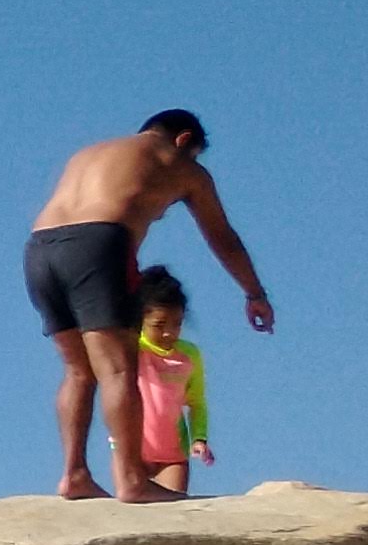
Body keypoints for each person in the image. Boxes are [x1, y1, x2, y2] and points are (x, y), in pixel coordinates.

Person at [24, 111, 273, 502]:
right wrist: (254, 293)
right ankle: (132, 481)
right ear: (183, 140)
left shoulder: (90, 153)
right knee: (120, 368)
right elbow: (222, 237)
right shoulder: (181, 166)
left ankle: (74, 474)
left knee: (78, 370)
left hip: (40, 248)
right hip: (101, 244)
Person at [132, 267, 209, 498]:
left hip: (173, 452)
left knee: (172, 510)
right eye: (159, 325)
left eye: (176, 324)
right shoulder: (133, 349)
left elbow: (197, 403)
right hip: (132, 450)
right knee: (135, 513)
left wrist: (199, 438)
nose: (168, 333)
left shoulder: (189, 354)